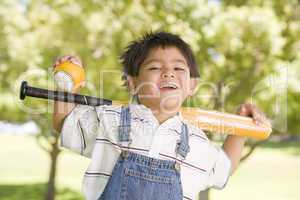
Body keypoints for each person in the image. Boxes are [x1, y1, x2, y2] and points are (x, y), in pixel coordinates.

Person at [53, 32, 269, 200]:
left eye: (178, 68)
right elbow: (64, 123)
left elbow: (224, 168)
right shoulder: (110, 119)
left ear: (192, 85)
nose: (168, 72)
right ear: (133, 83)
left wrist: (240, 129)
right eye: (155, 67)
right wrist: (67, 83)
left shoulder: (196, 141)